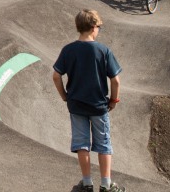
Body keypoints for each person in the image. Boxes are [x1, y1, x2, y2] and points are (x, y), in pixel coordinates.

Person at [52, 10, 124, 192]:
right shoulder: (103, 51)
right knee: (104, 144)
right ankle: (106, 184)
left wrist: (64, 96)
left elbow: (56, 76)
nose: (98, 30)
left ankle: (86, 183)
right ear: (93, 28)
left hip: (76, 105)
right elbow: (115, 80)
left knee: (81, 143)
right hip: (99, 105)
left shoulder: (68, 50)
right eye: (98, 27)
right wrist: (114, 100)